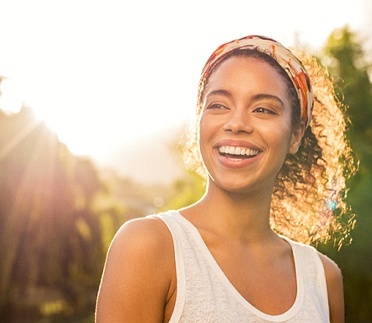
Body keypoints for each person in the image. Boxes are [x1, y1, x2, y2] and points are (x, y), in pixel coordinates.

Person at [95, 35, 356, 322]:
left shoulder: (323, 278)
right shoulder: (148, 247)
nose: (236, 124)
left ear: (295, 135)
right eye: (219, 105)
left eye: (263, 109)